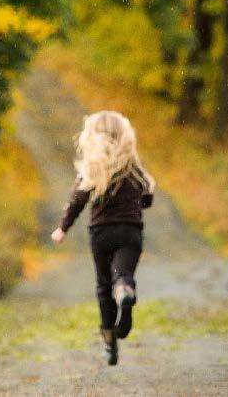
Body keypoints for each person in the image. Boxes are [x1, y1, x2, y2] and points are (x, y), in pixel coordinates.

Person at [51, 110, 155, 366]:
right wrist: (136, 202)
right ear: (124, 137)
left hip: (101, 233)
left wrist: (62, 228)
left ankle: (109, 342)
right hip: (131, 231)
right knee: (122, 274)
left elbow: (76, 200)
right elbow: (148, 195)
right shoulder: (133, 167)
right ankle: (125, 292)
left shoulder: (92, 170)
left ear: (92, 137)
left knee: (102, 285)